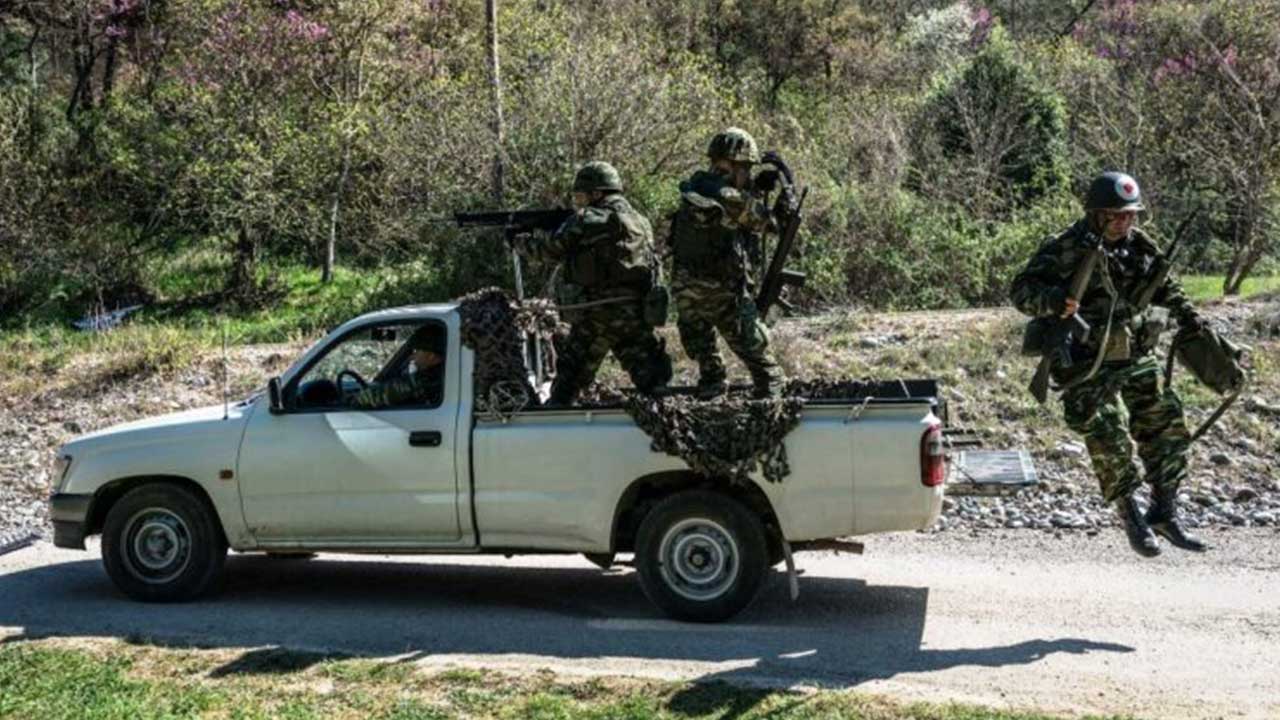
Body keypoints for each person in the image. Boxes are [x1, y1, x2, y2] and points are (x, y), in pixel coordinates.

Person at [1011, 171, 1207, 556]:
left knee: (1166, 424)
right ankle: (1131, 515)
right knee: (1107, 434)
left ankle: (1164, 512)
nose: (1124, 222)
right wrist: (1055, 301)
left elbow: (1166, 286)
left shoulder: (1139, 246)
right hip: (1086, 360)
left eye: (1130, 215)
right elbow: (1021, 291)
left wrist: (1190, 318)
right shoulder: (1065, 247)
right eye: (1115, 215)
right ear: (1096, 215)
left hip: (1133, 352)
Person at [517, 161, 673, 405]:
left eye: (582, 196)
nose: (580, 202)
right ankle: (665, 426)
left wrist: (521, 242)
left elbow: (550, 252)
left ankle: (553, 434)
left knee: (567, 385)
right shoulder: (641, 222)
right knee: (654, 383)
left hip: (596, 315)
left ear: (597, 193)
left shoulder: (585, 219)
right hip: (634, 313)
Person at [670, 127, 784, 399]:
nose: (747, 176)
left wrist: (755, 190)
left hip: (688, 297)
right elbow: (770, 224)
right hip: (723, 294)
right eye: (746, 169)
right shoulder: (729, 196)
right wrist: (781, 201)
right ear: (735, 165)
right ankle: (772, 416)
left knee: (710, 370)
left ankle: (711, 405)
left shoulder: (696, 187)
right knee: (765, 368)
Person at [349, 326, 446, 409]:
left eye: (417, 351)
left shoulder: (430, 378)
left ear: (431, 356)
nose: (413, 356)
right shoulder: (443, 373)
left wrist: (355, 399)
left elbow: (389, 393)